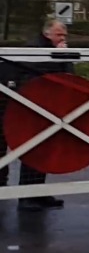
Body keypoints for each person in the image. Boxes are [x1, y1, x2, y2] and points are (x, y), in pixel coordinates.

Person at [0, 18, 71, 211]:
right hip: (24, 106)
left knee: (43, 149)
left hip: (44, 107)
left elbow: (69, 77)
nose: (63, 38)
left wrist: (64, 57)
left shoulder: (57, 51)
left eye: (64, 35)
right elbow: (34, 76)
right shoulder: (34, 49)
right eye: (59, 34)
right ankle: (26, 196)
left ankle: (36, 192)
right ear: (47, 33)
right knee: (31, 149)